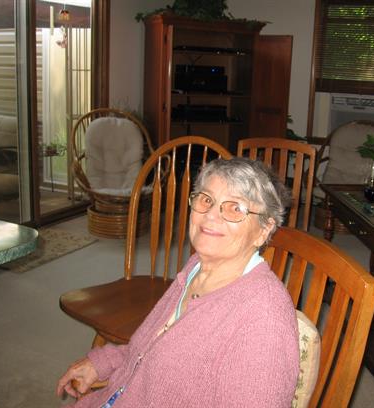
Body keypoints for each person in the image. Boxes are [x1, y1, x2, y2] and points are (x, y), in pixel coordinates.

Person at [57, 157, 300, 407]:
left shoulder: (265, 321)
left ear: (263, 230)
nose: (211, 216)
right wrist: (103, 363)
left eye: (235, 208)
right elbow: (152, 343)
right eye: (206, 199)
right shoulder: (197, 266)